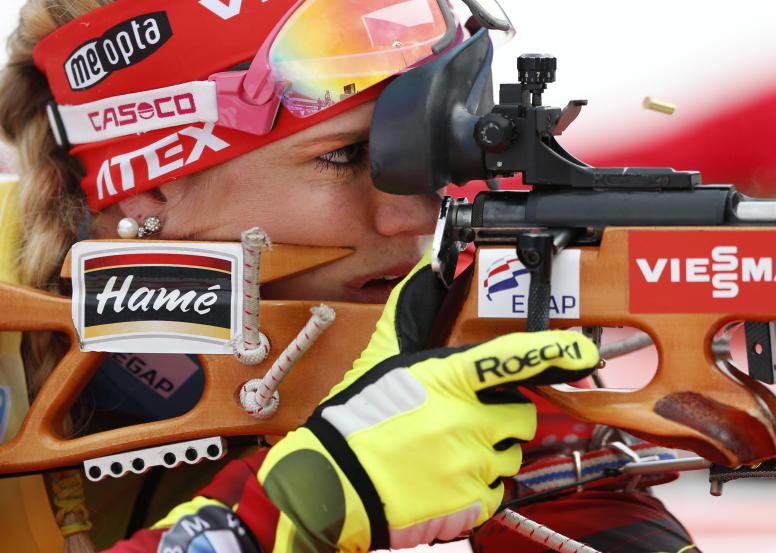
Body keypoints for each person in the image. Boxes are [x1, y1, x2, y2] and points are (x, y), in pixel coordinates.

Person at [0, 1, 701, 552]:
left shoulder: (427, 316)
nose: (414, 216)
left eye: (422, 160)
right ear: (152, 181)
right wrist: (304, 504)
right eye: (346, 155)